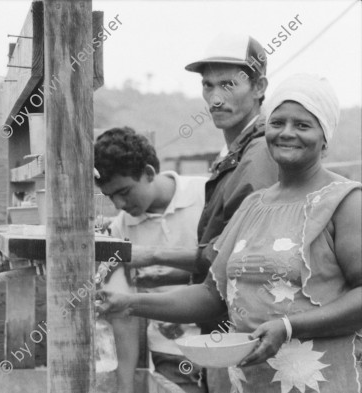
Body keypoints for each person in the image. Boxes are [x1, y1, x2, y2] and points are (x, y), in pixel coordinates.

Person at [97, 74, 362, 393]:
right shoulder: (253, 205)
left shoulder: (346, 202)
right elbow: (212, 295)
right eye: (277, 122)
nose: (287, 133)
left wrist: (289, 327)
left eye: (303, 125)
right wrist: (127, 303)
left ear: (325, 137)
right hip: (247, 385)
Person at [120, 34, 279, 392]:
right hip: (227, 334)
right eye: (208, 85)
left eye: (228, 84)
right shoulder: (234, 155)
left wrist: (151, 255)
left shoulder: (258, 158)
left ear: (259, 87)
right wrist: (156, 277)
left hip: (247, 338)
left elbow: (235, 259)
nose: (215, 98)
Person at [95, 127, 208, 393]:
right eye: (111, 197)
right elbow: (124, 312)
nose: (119, 204)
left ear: (148, 172)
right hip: (170, 351)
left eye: (125, 191)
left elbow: (222, 265)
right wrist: (125, 385)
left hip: (223, 341)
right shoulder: (121, 229)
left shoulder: (206, 195)